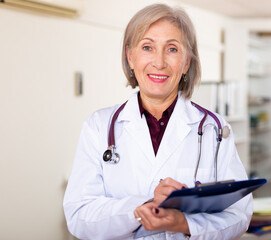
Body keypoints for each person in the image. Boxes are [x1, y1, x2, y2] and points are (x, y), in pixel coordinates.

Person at [63, 3, 252, 239]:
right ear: (130, 57)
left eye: (172, 49)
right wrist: (144, 206)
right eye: (147, 47)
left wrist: (183, 223)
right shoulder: (98, 126)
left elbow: (240, 214)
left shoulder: (215, 129)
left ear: (186, 62)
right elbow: (79, 216)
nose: (159, 62)